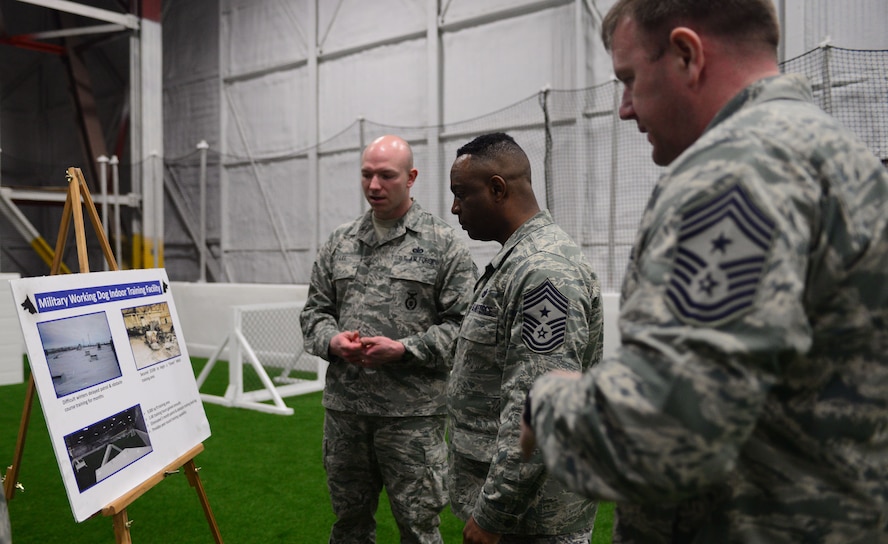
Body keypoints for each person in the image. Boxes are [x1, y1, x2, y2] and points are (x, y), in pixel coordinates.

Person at [520, 1, 888, 542]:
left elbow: (669, 432)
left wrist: (548, 401)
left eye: (628, 79)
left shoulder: (736, 172)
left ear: (687, 55)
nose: (623, 108)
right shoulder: (839, 156)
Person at [300, 134, 478, 543]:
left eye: (386, 176)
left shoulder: (442, 243)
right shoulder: (340, 241)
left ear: (411, 177)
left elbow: (464, 328)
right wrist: (331, 342)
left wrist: (404, 350)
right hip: (347, 413)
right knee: (349, 525)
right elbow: (314, 312)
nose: (374, 186)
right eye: (366, 175)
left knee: (418, 528)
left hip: (411, 418)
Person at [447, 132, 602, 544]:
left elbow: (536, 406)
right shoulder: (517, 261)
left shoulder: (541, 270)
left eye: (462, 194)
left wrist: (495, 512)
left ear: (498, 189)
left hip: (531, 519)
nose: (454, 207)